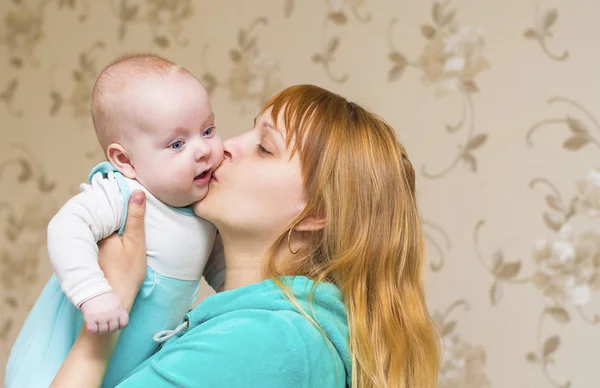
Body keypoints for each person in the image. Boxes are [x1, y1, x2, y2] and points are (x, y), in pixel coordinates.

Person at [51, 84, 441, 388]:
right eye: (248, 131)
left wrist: (98, 334)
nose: (225, 146)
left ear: (316, 213)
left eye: (265, 148)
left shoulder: (268, 340)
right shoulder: (280, 331)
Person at [6, 53, 225, 388]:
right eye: (177, 143)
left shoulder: (202, 206)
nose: (202, 150)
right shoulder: (124, 194)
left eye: (208, 130)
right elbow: (67, 226)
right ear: (125, 160)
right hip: (54, 368)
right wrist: (92, 293)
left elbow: (223, 270)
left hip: (124, 371)